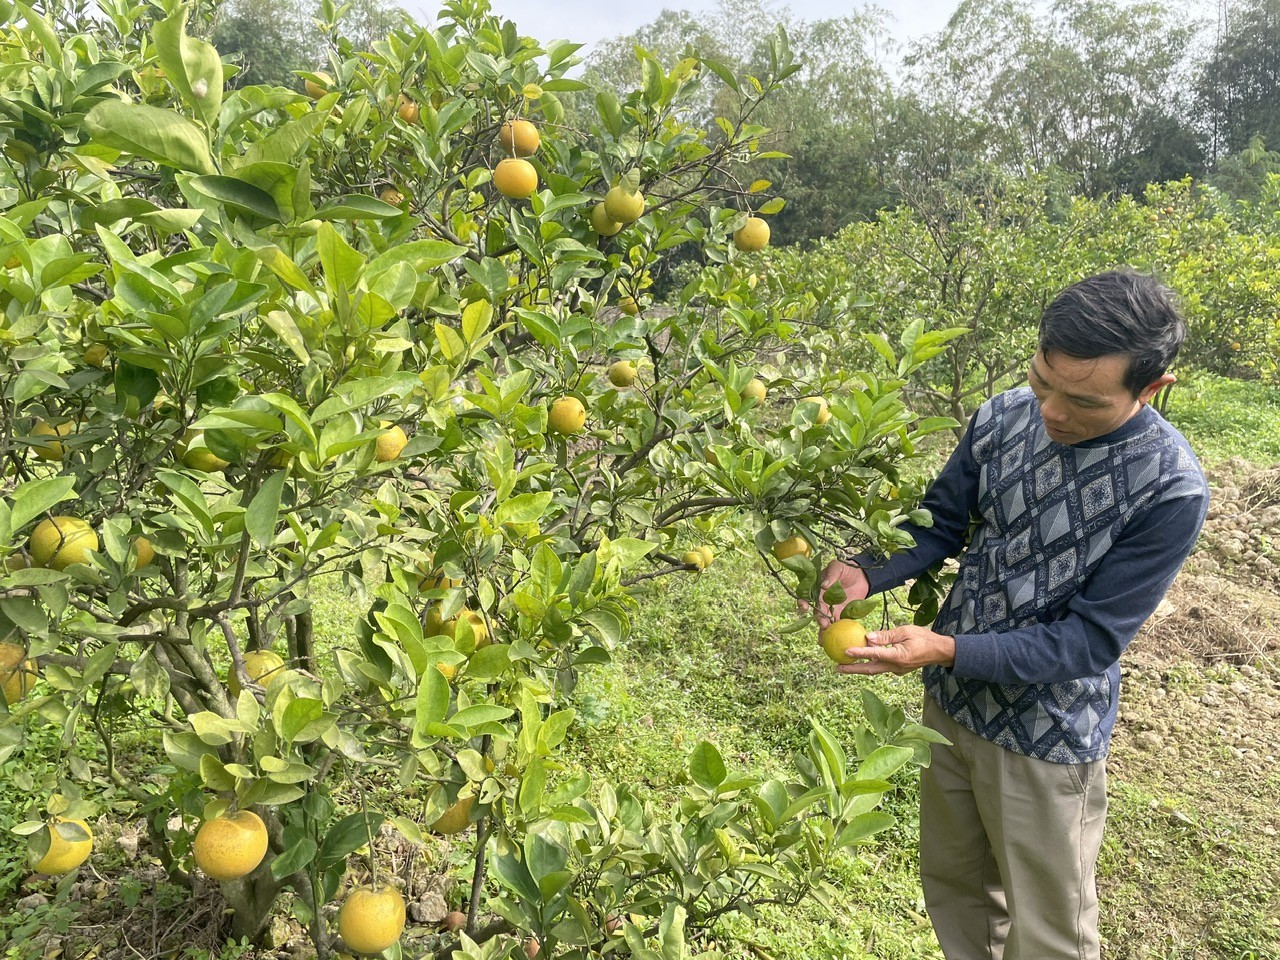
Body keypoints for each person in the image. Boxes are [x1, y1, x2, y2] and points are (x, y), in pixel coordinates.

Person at [815, 270, 1209, 960]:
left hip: (1046, 737)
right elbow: (939, 524)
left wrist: (945, 650)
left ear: (1151, 390)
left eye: (1083, 401)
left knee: (1048, 931)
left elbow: (1089, 641)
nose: (1051, 411)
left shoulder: (1169, 487)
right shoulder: (1003, 416)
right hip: (954, 707)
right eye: (1041, 381)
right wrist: (865, 570)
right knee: (957, 892)